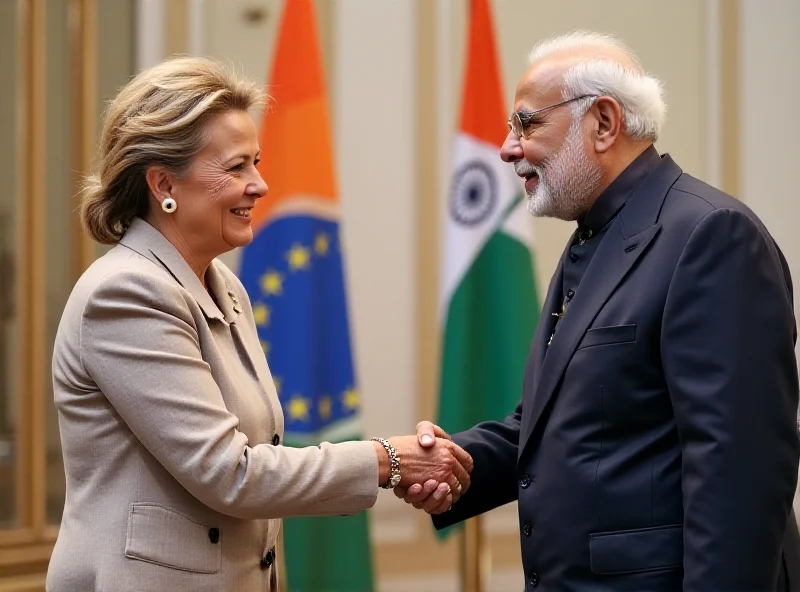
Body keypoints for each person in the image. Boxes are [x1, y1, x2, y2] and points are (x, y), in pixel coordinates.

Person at [47, 56, 472, 592]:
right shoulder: (127, 293)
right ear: (162, 184)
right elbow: (230, 473)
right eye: (236, 167)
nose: (261, 185)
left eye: (257, 162)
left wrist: (401, 463)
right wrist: (387, 460)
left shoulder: (223, 285)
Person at [397, 31, 800, 591]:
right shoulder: (594, 234)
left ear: (604, 123)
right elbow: (557, 426)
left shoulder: (711, 236)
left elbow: (740, 477)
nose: (508, 148)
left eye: (527, 123)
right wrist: (450, 461)